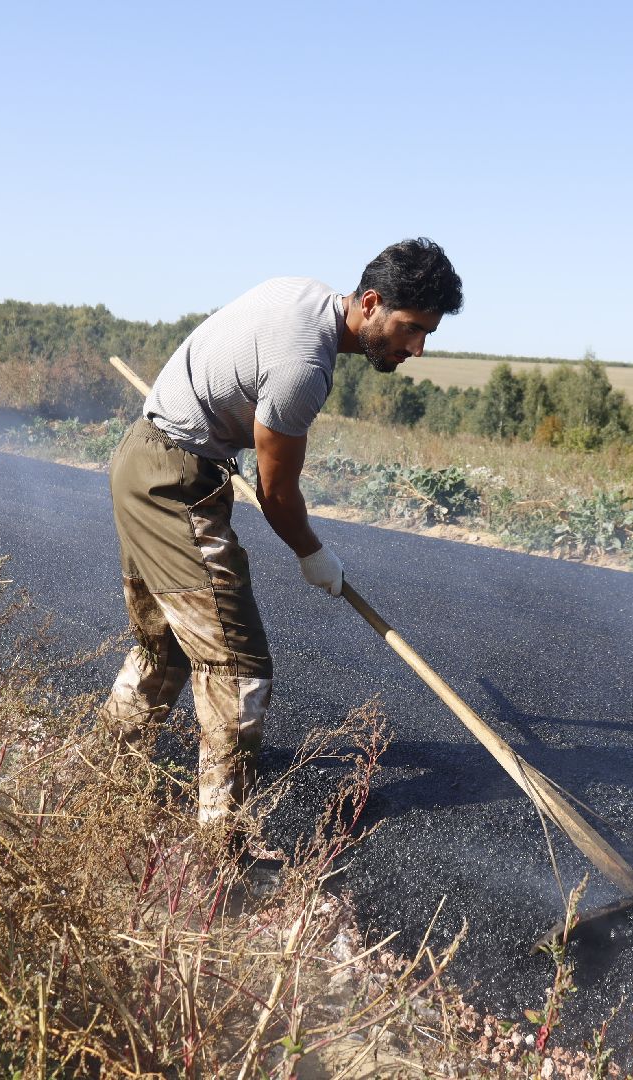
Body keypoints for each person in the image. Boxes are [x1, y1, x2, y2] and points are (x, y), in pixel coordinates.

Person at [100, 237, 463, 838]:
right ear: (371, 303)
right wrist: (313, 554)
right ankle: (221, 846)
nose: (417, 348)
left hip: (144, 459)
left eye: (428, 333)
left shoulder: (301, 293)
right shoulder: (304, 367)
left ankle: (99, 776)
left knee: (165, 647)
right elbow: (276, 493)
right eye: (411, 328)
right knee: (237, 665)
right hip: (171, 482)